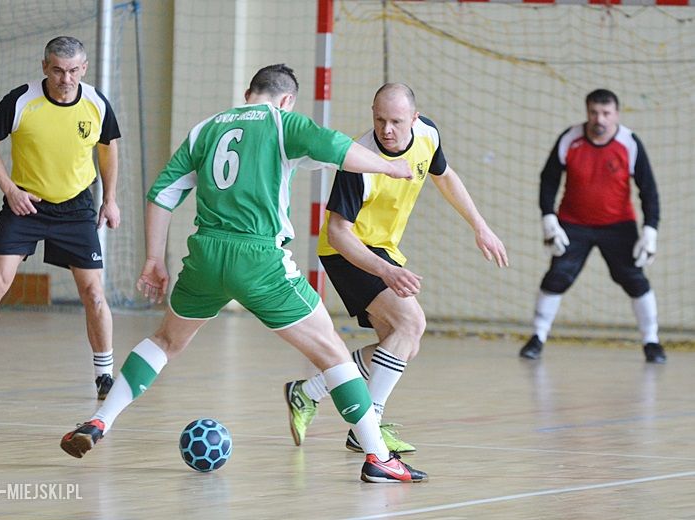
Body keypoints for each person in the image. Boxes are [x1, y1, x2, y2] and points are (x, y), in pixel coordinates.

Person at [60, 64, 427, 483]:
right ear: (287, 99)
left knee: (164, 341)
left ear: (248, 92)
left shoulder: (206, 129)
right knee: (333, 355)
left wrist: (154, 260)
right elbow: (340, 148)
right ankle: (378, 458)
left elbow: (162, 193)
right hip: (259, 260)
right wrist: (389, 167)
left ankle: (100, 420)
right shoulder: (282, 122)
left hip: (205, 257)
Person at [283, 83, 509, 453]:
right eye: (379, 119)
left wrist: (480, 226)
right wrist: (385, 272)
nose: (386, 129)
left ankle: (307, 392)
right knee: (412, 324)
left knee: (401, 345)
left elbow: (445, 176)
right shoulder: (360, 161)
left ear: (414, 119)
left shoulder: (428, 135)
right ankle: (366, 425)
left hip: (384, 248)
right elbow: (339, 233)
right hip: (349, 251)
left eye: (395, 122)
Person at [0, 36, 121, 400]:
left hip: (76, 207)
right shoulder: (21, 100)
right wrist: (10, 189)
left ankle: (104, 375)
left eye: (73, 70)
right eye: (57, 70)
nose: (65, 78)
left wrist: (110, 200)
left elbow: (107, 150)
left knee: (93, 292)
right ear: (45, 67)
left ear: (83, 69)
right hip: (25, 203)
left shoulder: (96, 103)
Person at [518, 88, 665, 364]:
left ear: (616, 114)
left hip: (618, 225)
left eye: (606, 113)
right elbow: (548, 180)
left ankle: (652, 341)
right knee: (557, 277)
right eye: (594, 112)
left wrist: (650, 230)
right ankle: (537, 337)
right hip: (573, 224)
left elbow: (649, 190)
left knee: (635, 280)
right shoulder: (569, 138)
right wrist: (549, 219)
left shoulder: (630, 142)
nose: (600, 119)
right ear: (587, 112)